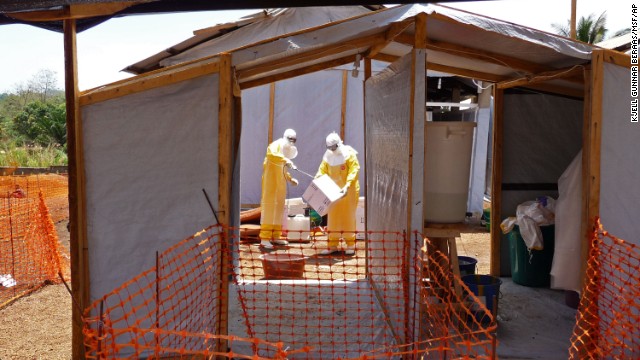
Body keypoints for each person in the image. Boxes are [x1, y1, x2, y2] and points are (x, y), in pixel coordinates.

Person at [315, 132, 360, 255]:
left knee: (348, 216)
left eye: (333, 148)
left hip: (349, 191)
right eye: (330, 148)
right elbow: (322, 170)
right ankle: (332, 245)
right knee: (333, 217)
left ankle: (351, 244)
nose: (332, 150)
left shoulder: (349, 154)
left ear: (338, 144)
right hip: (333, 192)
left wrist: (347, 185)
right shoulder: (328, 156)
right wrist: (318, 179)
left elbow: (354, 170)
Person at [259, 129, 299, 249]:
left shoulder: (285, 151)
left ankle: (275, 236)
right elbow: (271, 155)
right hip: (270, 184)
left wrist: (290, 179)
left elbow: (283, 169)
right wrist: (286, 160)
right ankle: (265, 238)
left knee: (279, 210)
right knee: (269, 208)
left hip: (280, 186)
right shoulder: (275, 145)